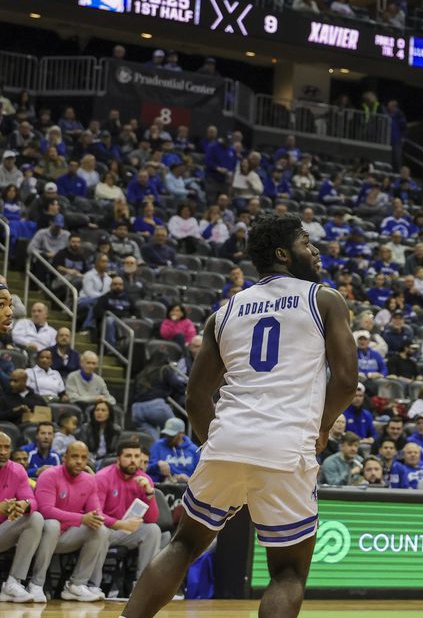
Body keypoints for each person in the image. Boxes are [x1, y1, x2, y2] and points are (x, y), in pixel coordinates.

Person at [118, 213, 357, 618]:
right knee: (287, 572)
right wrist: (320, 428)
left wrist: (214, 442)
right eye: (305, 241)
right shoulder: (324, 298)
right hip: (286, 447)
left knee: (182, 545)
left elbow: (195, 397)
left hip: (226, 438)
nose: (315, 249)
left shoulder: (226, 311)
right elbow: (347, 380)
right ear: (283, 253)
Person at [30, 441, 110, 602]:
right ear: (64, 458)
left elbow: (96, 512)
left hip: (67, 536)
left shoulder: (89, 480)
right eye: (74, 456)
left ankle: (76, 585)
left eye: (83, 458)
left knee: (101, 530)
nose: (79, 461)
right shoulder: (49, 475)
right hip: (42, 537)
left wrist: (97, 518)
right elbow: (46, 510)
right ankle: (35, 584)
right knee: (52, 524)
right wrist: (81, 518)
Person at [92, 439, 162, 595]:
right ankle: (92, 586)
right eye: (128, 456)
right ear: (118, 459)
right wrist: (119, 524)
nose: (133, 460)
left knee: (153, 530)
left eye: (137, 456)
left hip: (127, 532)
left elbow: (152, 519)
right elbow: (97, 514)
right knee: (99, 532)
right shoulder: (102, 477)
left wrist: (149, 493)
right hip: (106, 529)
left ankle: (142, 587)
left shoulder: (145, 479)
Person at [0, 430, 46, 603]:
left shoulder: (17, 469)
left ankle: (13, 582)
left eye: (6, 447)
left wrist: (23, 505)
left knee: (36, 518)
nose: (3, 451)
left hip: (3, 532)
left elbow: (33, 501)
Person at [146, 418, 200, 483]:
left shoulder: (193, 450)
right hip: (163, 486)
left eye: (172, 435)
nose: (168, 437)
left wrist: (189, 480)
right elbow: (146, 468)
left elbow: (200, 474)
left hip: (186, 487)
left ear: (181, 434)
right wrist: (157, 464)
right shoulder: (158, 445)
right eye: (167, 434)